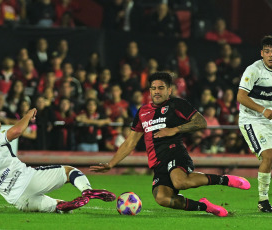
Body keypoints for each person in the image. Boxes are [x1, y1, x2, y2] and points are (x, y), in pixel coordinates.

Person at [91, 72, 250, 217]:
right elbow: (130, 142)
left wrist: (174, 129)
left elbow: (201, 122)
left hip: (175, 152)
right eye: (153, 88)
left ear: (169, 90)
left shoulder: (176, 104)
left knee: (180, 181)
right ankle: (205, 206)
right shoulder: (142, 112)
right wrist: (111, 164)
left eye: (161, 88)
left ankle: (225, 180)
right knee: (163, 198)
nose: (156, 91)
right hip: (157, 162)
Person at [0, 109, 116, 213]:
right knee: (70, 171)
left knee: (61, 207)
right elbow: (17, 131)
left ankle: (60, 206)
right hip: (28, 180)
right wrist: (27, 115)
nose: (0, 130)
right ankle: (87, 190)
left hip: (18, 200)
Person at [237, 35, 272, 212]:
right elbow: (241, 97)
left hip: (270, 119)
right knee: (268, 156)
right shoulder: (254, 70)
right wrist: (263, 110)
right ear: (262, 53)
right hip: (252, 119)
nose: (270, 55)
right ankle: (263, 200)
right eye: (267, 51)